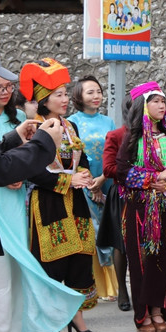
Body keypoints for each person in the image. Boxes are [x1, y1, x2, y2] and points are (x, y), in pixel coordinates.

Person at [0, 43, 83, 332]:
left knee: (16, 268)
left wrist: (18, 140)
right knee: (2, 269)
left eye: (8, 86)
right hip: (14, 202)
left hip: (14, 201)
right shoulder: (44, 127)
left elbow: (1, 157)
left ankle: (13, 328)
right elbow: (1, 166)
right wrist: (40, 145)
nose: (5, 91)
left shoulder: (23, 120)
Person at [19, 58, 98, 332]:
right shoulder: (33, 129)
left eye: (66, 93)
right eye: (59, 95)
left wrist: (86, 174)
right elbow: (31, 170)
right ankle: (51, 320)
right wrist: (67, 181)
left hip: (75, 201)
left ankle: (76, 317)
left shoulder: (70, 127)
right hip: (48, 202)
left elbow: (82, 159)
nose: (65, 99)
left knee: (78, 259)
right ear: (43, 100)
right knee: (51, 262)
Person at [116, 81, 166, 332]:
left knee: (165, 260)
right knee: (143, 262)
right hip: (142, 209)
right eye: (155, 101)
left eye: (163, 101)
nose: (162, 106)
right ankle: (144, 314)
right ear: (143, 106)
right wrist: (154, 181)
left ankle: (159, 310)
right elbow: (121, 171)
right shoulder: (133, 136)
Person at [68, 76, 119, 302]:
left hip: (106, 180)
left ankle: (112, 285)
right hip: (84, 184)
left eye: (98, 91)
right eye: (90, 92)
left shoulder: (108, 122)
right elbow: (74, 158)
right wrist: (91, 183)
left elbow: (114, 154)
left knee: (110, 227)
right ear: (78, 96)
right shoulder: (71, 123)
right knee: (91, 230)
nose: (96, 96)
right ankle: (93, 285)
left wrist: (102, 179)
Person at [100, 95, 133, 312]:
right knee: (121, 243)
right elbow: (108, 169)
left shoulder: (159, 135)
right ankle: (122, 288)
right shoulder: (117, 135)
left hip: (150, 194)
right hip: (122, 193)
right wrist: (138, 174)